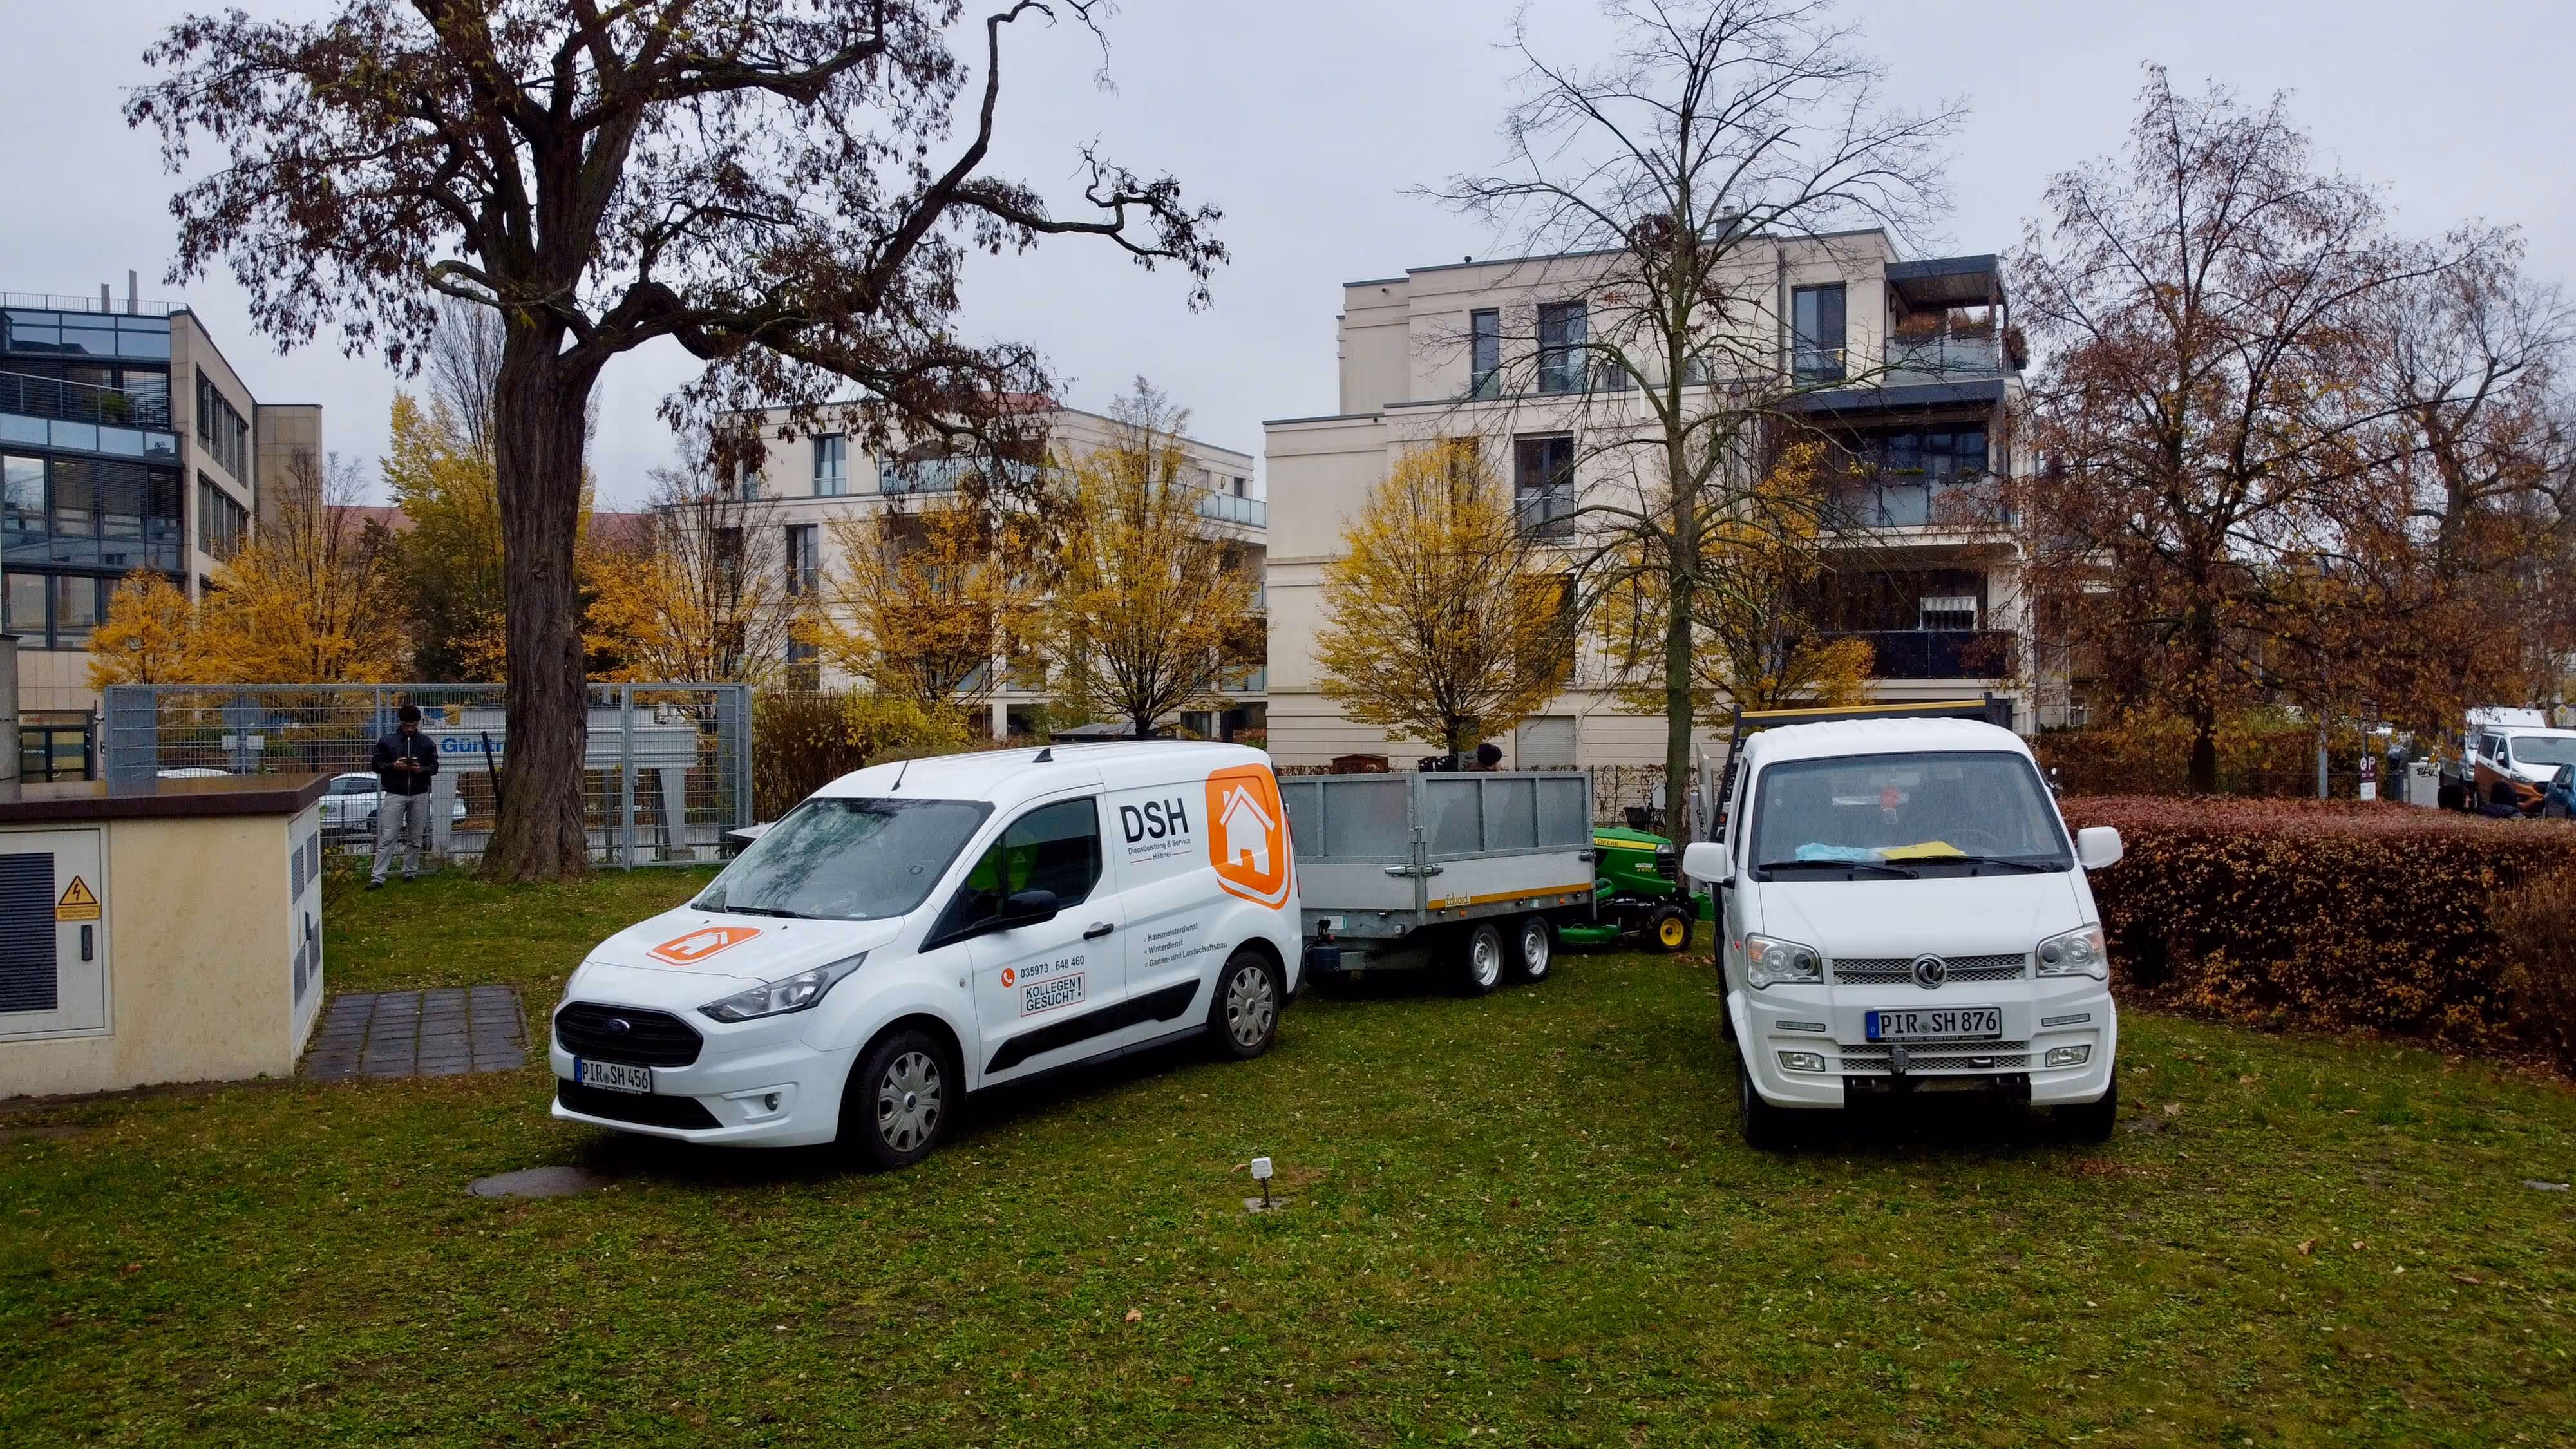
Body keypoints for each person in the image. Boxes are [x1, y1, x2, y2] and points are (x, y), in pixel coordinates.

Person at [368, 703, 440, 888]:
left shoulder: (426, 743)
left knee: (415, 837)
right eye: (407, 725)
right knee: (388, 836)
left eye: (413, 726)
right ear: (400, 723)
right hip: (395, 793)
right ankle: (378, 877)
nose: (410, 729)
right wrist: (394, 766)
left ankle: (410, 872)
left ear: (418, 724)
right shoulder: (387, 741)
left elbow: (434, 767)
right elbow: (376, 765)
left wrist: (420, 769)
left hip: (419, 793)